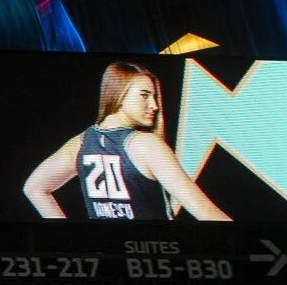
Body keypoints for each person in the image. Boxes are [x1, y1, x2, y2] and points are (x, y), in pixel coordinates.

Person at [23, 62, 230, 222]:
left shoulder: (80, 143)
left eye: (155, 96)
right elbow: (204, 211)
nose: (155, 105)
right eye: (145, 96)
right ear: (119, 95)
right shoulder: (146, 145)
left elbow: (34, 188)